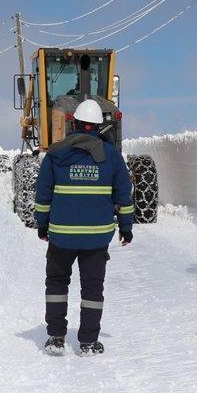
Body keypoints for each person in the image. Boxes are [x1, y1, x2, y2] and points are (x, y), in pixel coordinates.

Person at [33, 98, 135, 356]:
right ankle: (88, 342)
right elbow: (123, 195)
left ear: (74, 123)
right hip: (97, 238)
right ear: (100, 127)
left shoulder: (55, 154)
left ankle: (56, 338)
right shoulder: (111, 156)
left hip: (62, 236)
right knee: (92, 288)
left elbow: (43, 195)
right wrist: (126, 228)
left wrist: (42, 225)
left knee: (56, 283)